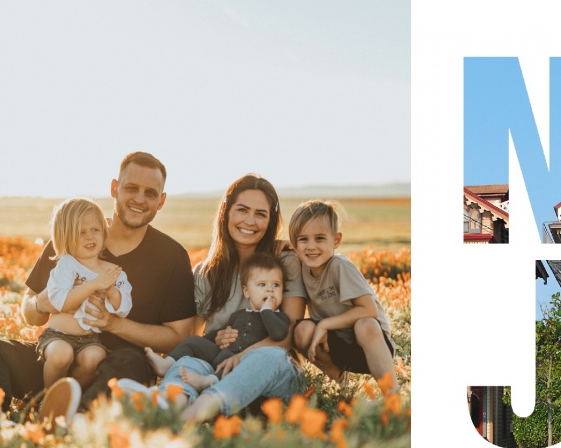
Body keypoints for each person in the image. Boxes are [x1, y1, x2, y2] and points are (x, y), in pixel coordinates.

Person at [0, 151, 196, 425]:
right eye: (131, 188)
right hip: (58, 357)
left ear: (161, 201)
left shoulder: (172, 256)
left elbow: (179, 337)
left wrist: (113, 324)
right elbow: (30, 311)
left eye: (150, 193)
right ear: (114, 188)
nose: (139, 199)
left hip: (119, 367)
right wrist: (42, 303)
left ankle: (73, 420)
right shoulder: (73, 237)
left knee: (131, 363)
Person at [132, 174, 307, 422]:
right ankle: (167, 408)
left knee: (268, 356)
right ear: (226, 212)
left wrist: (240, 357)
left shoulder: (285, 263)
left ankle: (191, 415)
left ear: (270, 221)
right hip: (217, 370)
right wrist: (217, 339)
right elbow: (194, 335)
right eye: (242, 210)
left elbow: (287, 337)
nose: (250, 221)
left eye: (260, 214)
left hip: (271, 380)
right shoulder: (206, 272)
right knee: (189, 362)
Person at [288, 199, 396, 393]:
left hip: (370, 345)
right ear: (295, 243)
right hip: (335, 345)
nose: (311, 246)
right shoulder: (301, 267)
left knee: (366, 325)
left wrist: (324, 324)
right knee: (301, 330)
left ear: (336, 240)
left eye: (320, 238)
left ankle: (392, 395)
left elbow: (369, 310)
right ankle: (337, 377)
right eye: (303, 239)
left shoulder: (340, 266)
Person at [145, 251, 289, 391]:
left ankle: (210, 381)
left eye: (276, 285)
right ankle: (168, 363)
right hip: (222, 354)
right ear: (247, 291)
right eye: (262, 285)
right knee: (194, 341)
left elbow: (278, 334)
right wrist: (206, 342)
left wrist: (266, 310)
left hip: (244, 362)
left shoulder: (279, 318)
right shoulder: (239, 315)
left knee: (230, 365)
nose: (270, 290)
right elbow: (217, 334)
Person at [39, 197, 132, 389]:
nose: (90, 237)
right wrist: (93, 285)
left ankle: (72, 395)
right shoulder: (67, 264)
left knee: (95, 357)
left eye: (95, 230)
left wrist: (111, 290)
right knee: (60, 355)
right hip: (58, 335)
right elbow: (61, 303)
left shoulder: (113, 271)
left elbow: (123, 309)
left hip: (89, 339)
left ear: (104, 233)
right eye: (81, 232)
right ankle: (48, 397)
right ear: (65, 237)